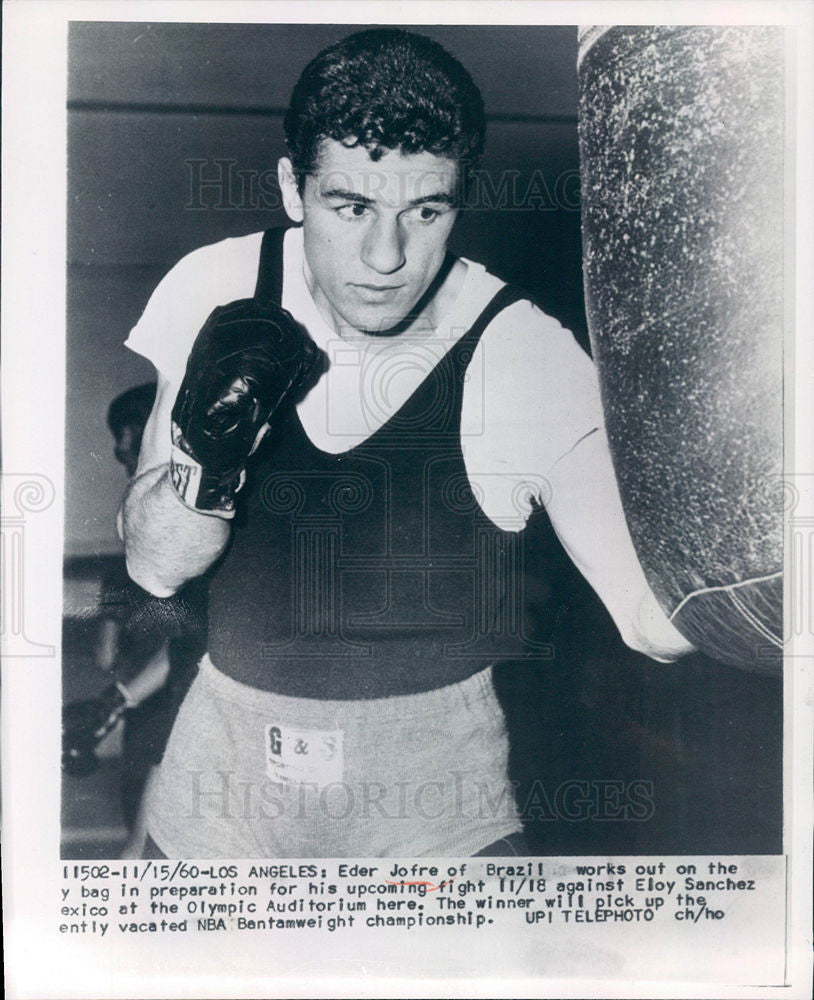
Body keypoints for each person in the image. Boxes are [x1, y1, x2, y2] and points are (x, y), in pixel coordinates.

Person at [119, 28, 693, 859]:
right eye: (351, 207)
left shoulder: (522, 352)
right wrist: (209, 459)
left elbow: (656, 620)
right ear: (292, 186)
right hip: (223, 790)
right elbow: (154, 566)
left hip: (433, 812)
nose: (386, 257)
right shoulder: (218, 284)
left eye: (426, 211)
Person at [63, 382, 205, 857]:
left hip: (181, 712)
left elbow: (114, 654)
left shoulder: (185, 533)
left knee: (143, 853)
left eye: (129, 447)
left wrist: (115, 697)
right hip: (157, 707)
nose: (122, 457)